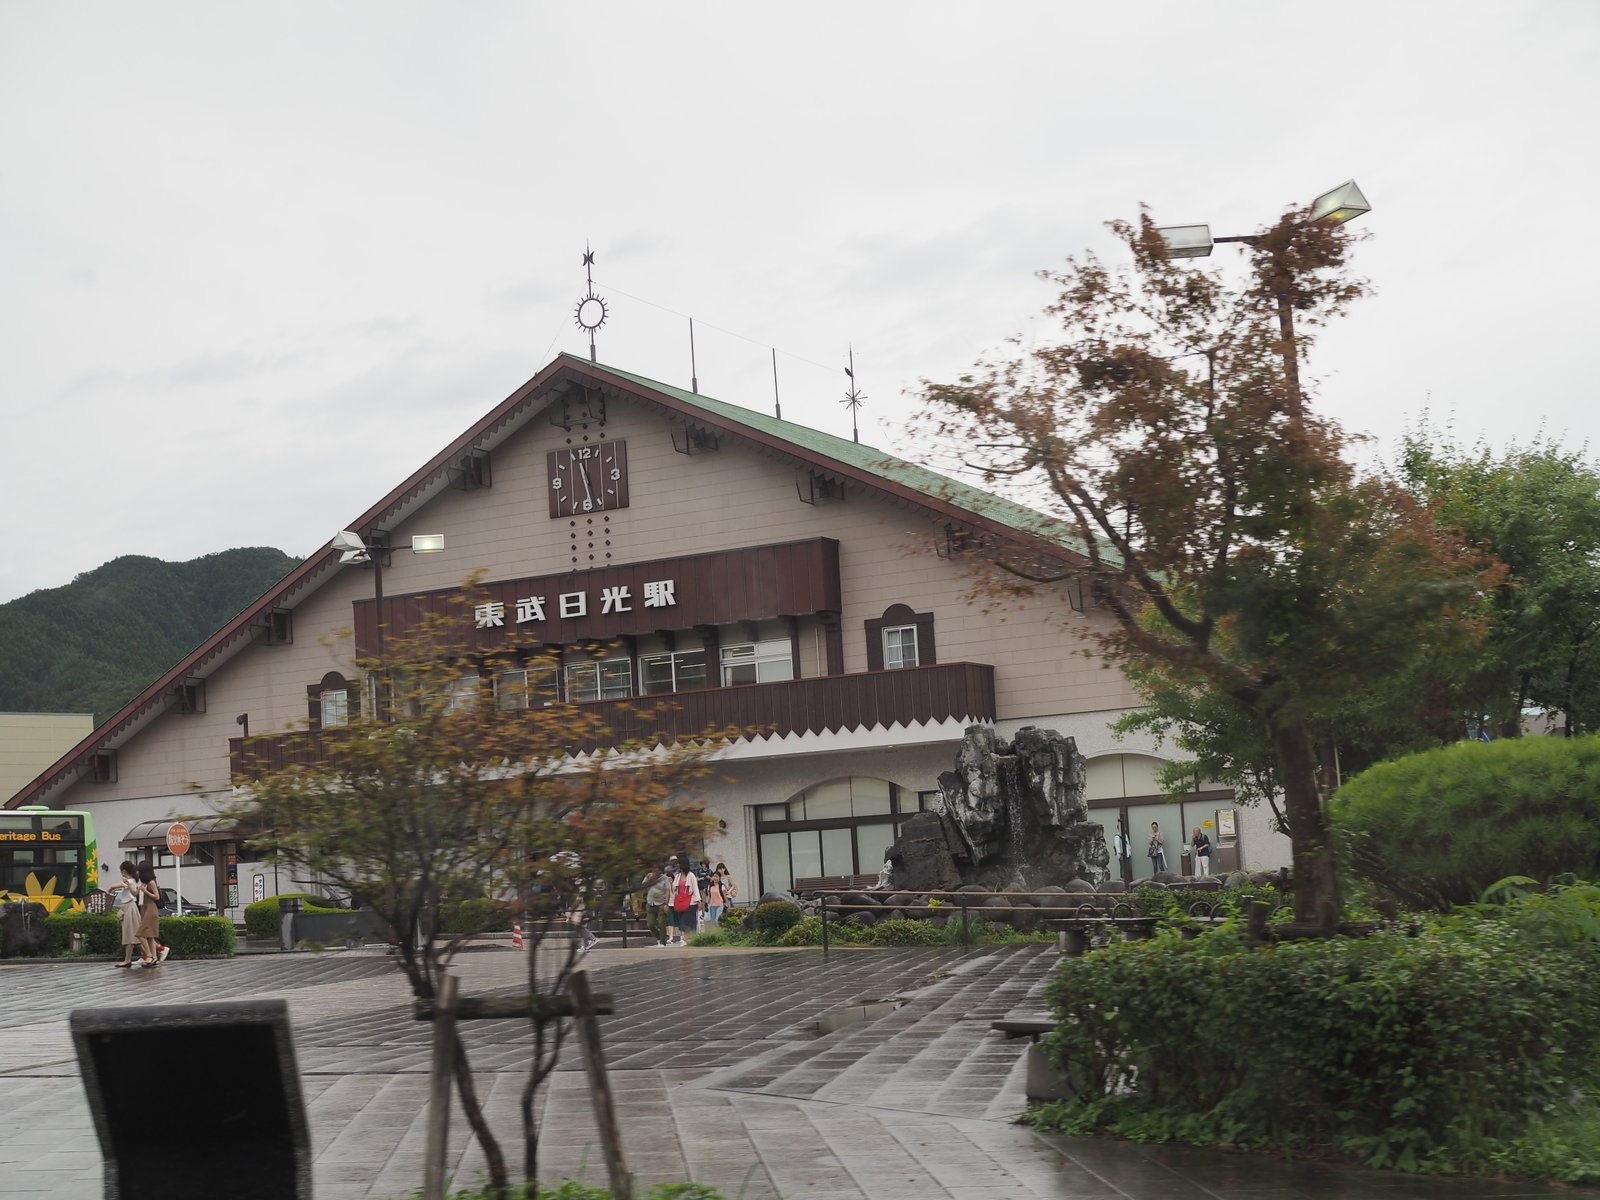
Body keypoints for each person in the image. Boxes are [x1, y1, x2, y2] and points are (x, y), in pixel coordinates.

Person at [135, 861, 168, 966]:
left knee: (140, 933)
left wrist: (145, 891)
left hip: (151, 909)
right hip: (145, 909)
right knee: (150, 936)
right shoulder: (145, 883)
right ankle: (154, 957)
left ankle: (148, 955)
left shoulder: (151, 882)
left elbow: (156, 897)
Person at [110, 861, 142, 968]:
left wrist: (110, 888)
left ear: (124, 871)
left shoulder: (129, 881)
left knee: (130, 934)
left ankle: (128, 960)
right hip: (129, 907)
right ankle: (151, 954)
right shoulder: (133, 880)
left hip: (129, 908)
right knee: (136, 935)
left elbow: (114, 885)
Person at [667, 858, 699, 946]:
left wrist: (698, 901)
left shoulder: (691, 875)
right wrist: (670, 883)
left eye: (679, 864)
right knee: (682, 921)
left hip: (691, 902)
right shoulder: (677, 876)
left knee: (688, 920)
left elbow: (695, 888)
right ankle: (685, 939)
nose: (677, 865)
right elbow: (674, 889)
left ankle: (687, 938)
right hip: (680, 902)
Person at [644, 862, 672, 946]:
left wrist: (666, 903)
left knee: (661, 923)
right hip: (650, 902)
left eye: (658, 869)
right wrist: (651, 880)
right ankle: (659, 937)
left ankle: (663, 942)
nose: (656, 871)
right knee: (650, 924)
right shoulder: (648, 876)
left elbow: (667, 891)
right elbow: (643, 885)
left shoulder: (665, 878)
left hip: (661, 903)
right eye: (654, 869)